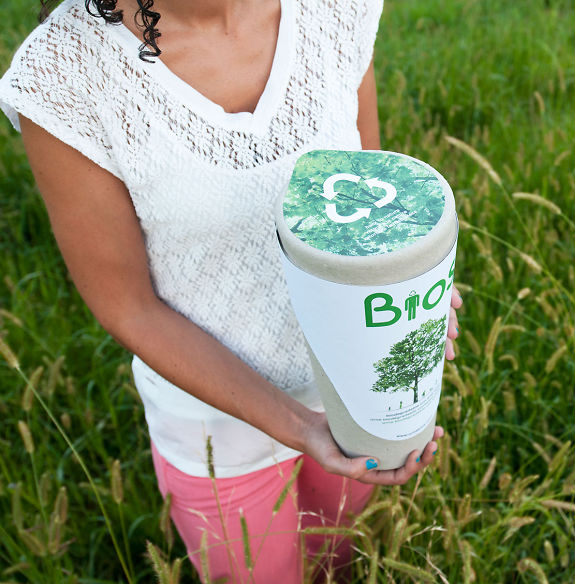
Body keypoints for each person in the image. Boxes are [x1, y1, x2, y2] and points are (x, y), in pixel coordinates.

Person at [0, 0, 462, 581]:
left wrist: (408, 293)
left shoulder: (334, 9)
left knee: (337, 565)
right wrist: (298, 427)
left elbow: (365, 207)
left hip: (353, 393)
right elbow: (129, 308)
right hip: (215, 430)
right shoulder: (64, 74)